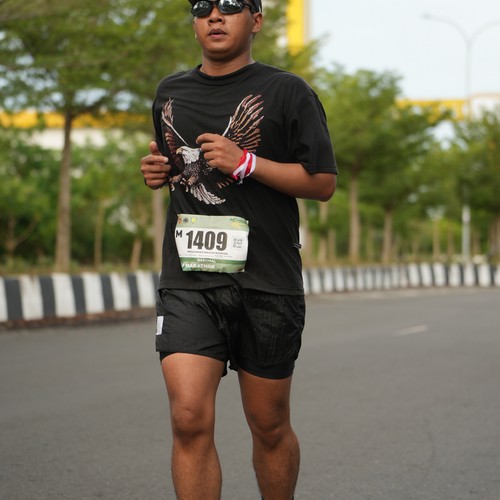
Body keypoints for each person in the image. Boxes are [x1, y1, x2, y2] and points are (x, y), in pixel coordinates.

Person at [140, 0, 338, 498]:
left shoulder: (288, 91)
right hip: (189, 279)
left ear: (257, 20)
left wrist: (246, 163)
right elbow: (177, 168)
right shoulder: (170, 92)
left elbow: (322, 182)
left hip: (266, 281)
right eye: (202, 7)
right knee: (187, 417)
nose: (214, 15)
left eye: (230, 5)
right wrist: (158, 172)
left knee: (268, 424)